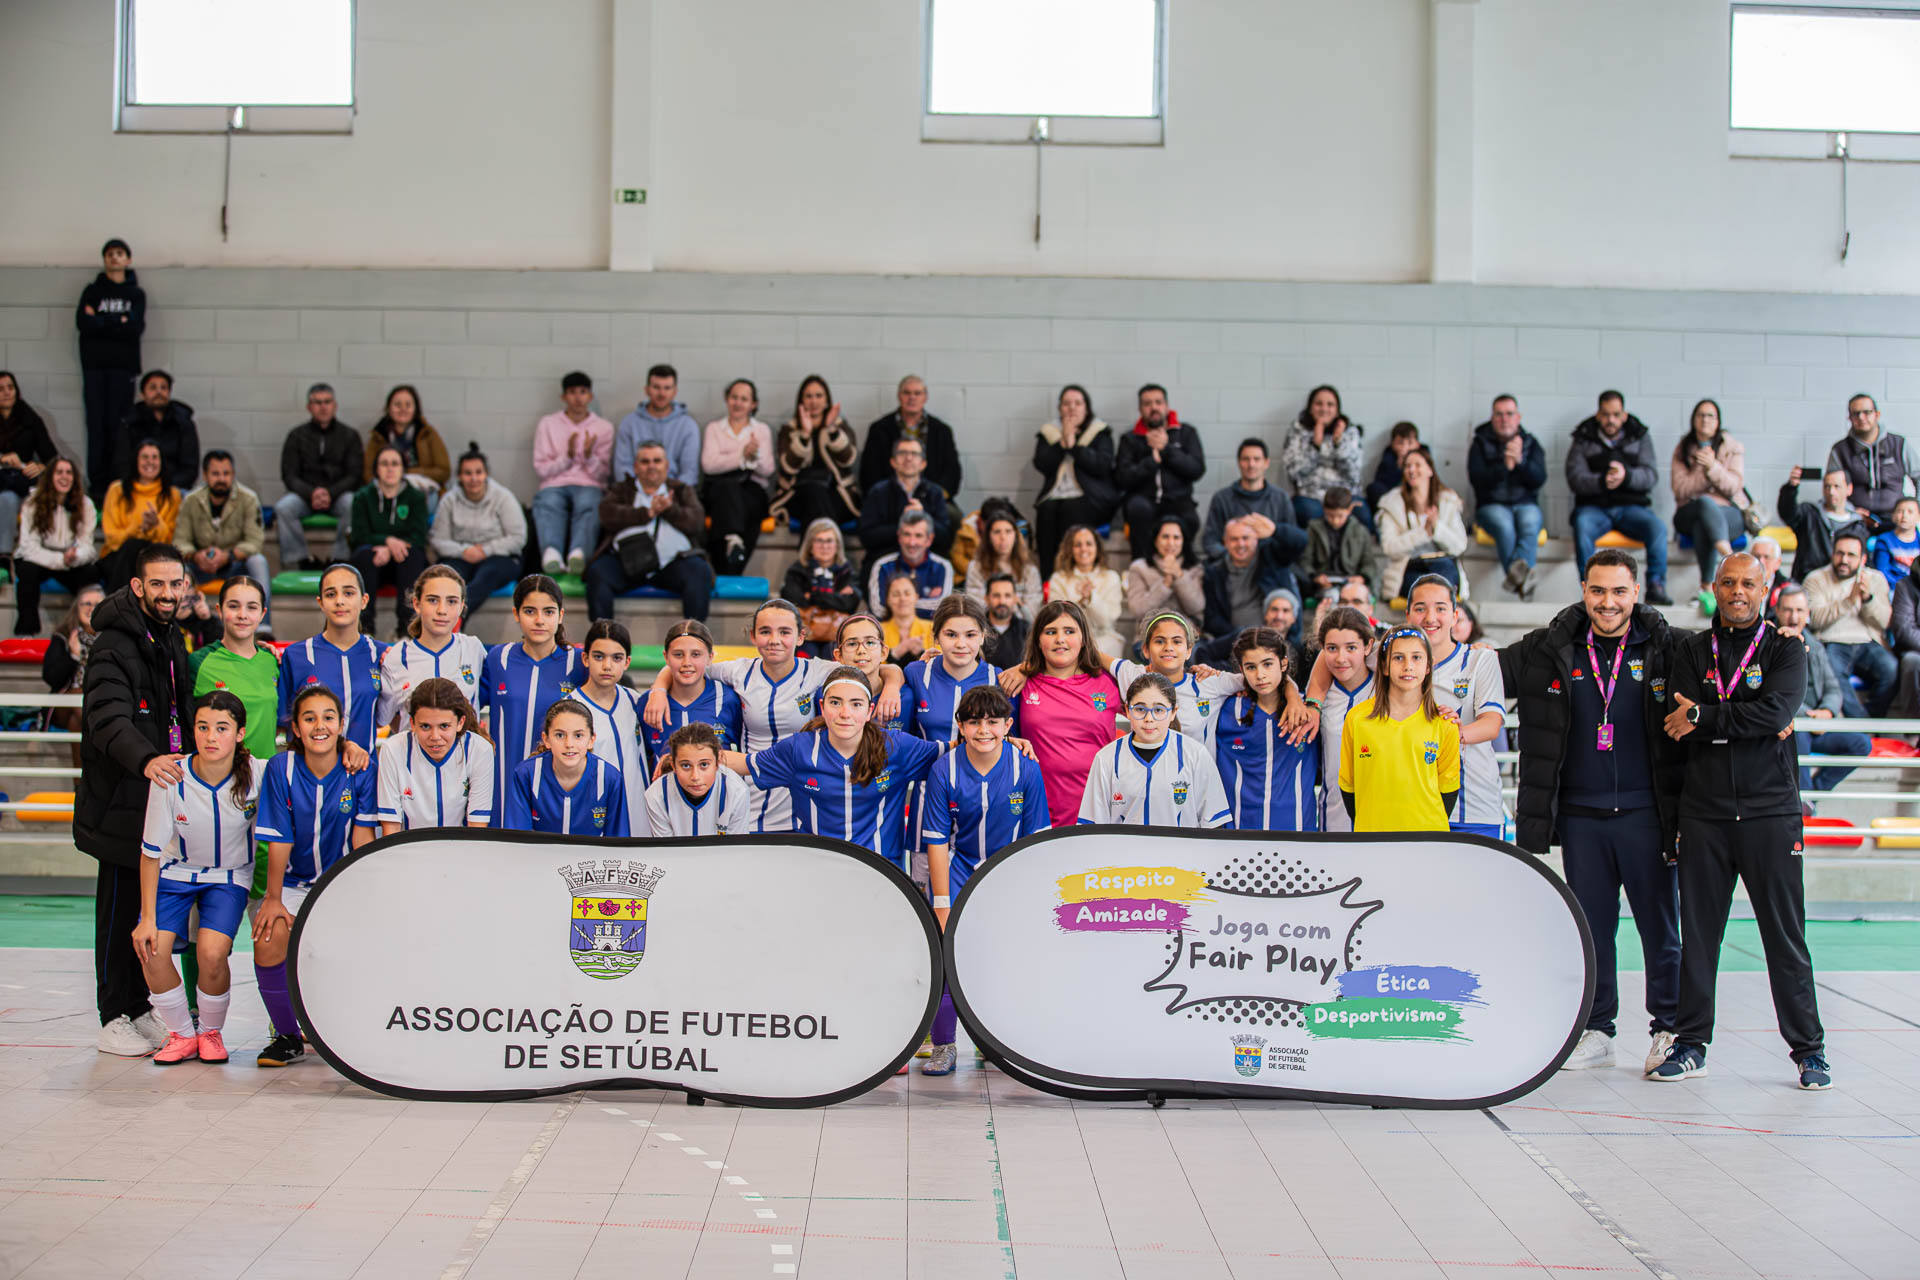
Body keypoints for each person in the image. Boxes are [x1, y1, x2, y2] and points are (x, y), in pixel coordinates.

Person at [1497, 547, 1683, 1074]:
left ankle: (1668, 1027)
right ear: (1584, 590)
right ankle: (1599, 1028)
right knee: (1594, 930)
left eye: (1619, 591)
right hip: (1580, 817)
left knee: (1660, 930)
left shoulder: (1668, 646)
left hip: (1647, 816)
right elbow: (1486, 670)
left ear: (1636, 592)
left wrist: (1783, 639)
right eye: (1598, 590)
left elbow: (1726, 660)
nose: (1608, 602)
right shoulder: (1552, 645)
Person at [1654, 552, 1828, 1090]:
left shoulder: (1786, 649)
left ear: (1765, 587)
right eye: (1727, 582)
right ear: (1713, 587)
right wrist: (1739, 721)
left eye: (1748, 583)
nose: (1737, 592)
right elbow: (1674, 728)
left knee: (1785, 937)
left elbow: (1775, 714)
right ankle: (1690, 1045)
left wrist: (1706, 716)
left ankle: (1809, 1050)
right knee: (1700, 939)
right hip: (1704, 815)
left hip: (1769, 813)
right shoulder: (1689, 650)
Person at [641, 599, 902, 833]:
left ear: (800, 637)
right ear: (753, 636)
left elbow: (876, 668)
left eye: (784, 632)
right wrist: (658, 689)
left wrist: (892, 686)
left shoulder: (818, 671)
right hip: (749, 799)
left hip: (802, 802)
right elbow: (691, 666)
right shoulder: (738, 671)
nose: (774, 640)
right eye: (765, 632)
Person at [76, 545, 194, 1057]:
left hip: (158, 798)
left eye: (176, 584)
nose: (168, 594)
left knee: (145, 913)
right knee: (119, 908)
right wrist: (147, 758)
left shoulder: (171, 638)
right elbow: (107, 719)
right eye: (159, 585)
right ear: (139, 587)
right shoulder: (112, 644)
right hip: (122, 800)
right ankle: (112, 1016)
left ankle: (141, 1006)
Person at [922, 684, 1051, 1075]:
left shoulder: (1025, 768)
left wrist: (1026, 897)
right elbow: (937, 843)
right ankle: (944, 1046)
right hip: (958, 868)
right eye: (974, 722)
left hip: (1006, 873)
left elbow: (1035, 842)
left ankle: (995, 1043)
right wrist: (942, 903)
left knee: (1001, 960)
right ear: (960, 726)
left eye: (993, 722)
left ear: (1008, 725)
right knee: (944, 960)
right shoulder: (943, 768)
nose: (983, 730)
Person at [251, 685, 379, 1066]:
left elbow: (362, 838)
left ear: (342, 724)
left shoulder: (359, 769)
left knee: (353, 948)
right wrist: (272, 899)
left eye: (328, 717)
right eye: (309, 718)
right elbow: (279, 839)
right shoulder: (281, 769)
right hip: (293, 883)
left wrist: (363, 897)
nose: (319, 726)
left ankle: (350, 1033)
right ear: (295, 727)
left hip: (341, 883)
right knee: (268, 937)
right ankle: (287, 1035)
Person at [712, 666, 943, 870]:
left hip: (883, 873)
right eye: (835, 702)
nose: (845, 713)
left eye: (856, 704)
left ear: (869, 710)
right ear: (822, 706)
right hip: (816, 871)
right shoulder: (798, 749)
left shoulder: (897, 747)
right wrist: (689, 757)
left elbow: (953, 752)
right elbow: (743, 763)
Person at [132, 690, 256, 1065]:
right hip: (176, 872)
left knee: (212, 954)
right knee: (151, 948)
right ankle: (182, 1034)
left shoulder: (260, 775)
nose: (211, 737)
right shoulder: (171, 776)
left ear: (239, 733)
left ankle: (210, 1033)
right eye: (203, 727)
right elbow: (150, 855)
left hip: (229, 876)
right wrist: (147, 919)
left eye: (222, 728)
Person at [1402, 575, 1506, 836]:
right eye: (1420, 608)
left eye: (1440, 608)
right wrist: (1311, 701)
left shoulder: (1480, 659)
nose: (1430, 617)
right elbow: (1337, 651)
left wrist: (1447, 734)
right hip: (1414, 809)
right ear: (1408, 615)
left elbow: (1492, 724)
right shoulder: (1392, 660)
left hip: (1474, 808)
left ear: (1455, 615)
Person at [1007, 600, 1122, 827]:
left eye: (1069, 631)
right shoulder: (1020, 684)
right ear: (1039, 641)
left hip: (1099, 809)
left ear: (1083, 639)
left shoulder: (1109, 682)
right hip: (1038, 811)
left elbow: (1155, 693)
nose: (1060, 639)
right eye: (1051, 632)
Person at [481, 575, 585, 826]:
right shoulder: (498, 658)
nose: (539, 620)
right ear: (516, 614)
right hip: (504, 783)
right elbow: (466, 706)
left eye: (548, 612)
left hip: (559, 785)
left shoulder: (579, 662)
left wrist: (658, 687)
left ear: (560, 615)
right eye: (530, 611)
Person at [1339, 627, 1461, 832]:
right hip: (1372, 839)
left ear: (1429, 666)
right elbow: (1348, 787)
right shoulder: (1357, 719)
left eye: (1416, 658)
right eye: (1398, 658)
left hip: (1428, 840)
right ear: (1385, 666)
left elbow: (1448, 791)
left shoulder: (1444, 722)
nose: (1408, 666)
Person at [1077, 671, 1231, 827]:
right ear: (1128, 711)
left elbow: (1213, 823)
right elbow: (1093, 826)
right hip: (1124, 851)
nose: (1149, 719)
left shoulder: (1196, 755)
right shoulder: (1106, 759)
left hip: (1181, 851)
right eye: (1140, 709)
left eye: (1158, 710)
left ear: (1173, 712)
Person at [585, 440, 714, 622]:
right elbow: (607, 514)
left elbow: (697, 522)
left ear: (667, 466)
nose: (651, 466)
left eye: (657, 461)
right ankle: (604, 639)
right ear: (636, 467)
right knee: (598, 572)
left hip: (672, 564)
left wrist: (669, 510)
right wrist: (647, 513)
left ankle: (693, 639)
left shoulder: (681, 490)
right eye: (645, 462)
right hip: (625, 563)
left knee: (700, 571)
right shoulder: (622, 489)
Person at [1567, 390, 1672, 605]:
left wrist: (1627, 476)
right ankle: (1589, 588)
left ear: (1624, 415)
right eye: (1605, 415)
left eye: (1615, 414)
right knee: (1581, 524)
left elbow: (1651, 475)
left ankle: (1655, 585)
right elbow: (1574, 477)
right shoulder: (1583, 436)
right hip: (1594, 508)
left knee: (1658, 528)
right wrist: (1601, 481)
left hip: (1631, 508)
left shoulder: (1639, 435)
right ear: (1598, 415)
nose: (1610, 420)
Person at [1775, 584, 1873, 800]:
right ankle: (1803, 801)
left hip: (1818, 725)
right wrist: (1810, 716)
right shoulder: (1769, 646)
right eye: (1788, 610)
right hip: (1794, 726)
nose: (1793, 616)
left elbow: (1833, 687)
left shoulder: (1816, 647)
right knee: (1797, 734)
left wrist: (1827, 711)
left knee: (1861, 743)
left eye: (1799, 610)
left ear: (1807, 614)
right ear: (1778, 611)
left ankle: (1814, 793)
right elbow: (1776, 696)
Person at [277, 564, 386, 756]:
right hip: (308, 775)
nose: (339, 601)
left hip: (364, 775)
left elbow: (392, 717)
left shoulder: (383, 655)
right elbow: (282, 725)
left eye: (349, 593)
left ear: (364, 600)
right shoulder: (296, 655)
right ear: (320, 602)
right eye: (330, 594)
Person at [1216, 628, 1317, 830]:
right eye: (1251, 667)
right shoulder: (1226, 709)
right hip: (1238, 834)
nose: (1260, 675)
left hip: (1298, 833)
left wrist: (1293, 694)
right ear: (1242, 670)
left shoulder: (1309, 714)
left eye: (1268, 664)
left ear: (1283, 663)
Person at [376, 564, 490, 731]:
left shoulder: (474, 648)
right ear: (416, 603)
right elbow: (384, 720)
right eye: (432, 600)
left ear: (461, 606)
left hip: (466, 756)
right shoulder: (396, 657)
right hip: (413, 756)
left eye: (451, 601)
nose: (442, 610)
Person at [375, 677, 495, 834]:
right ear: (412, 723)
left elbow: (477, 830)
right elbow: (391, 830)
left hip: (461, 852)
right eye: (425, 726)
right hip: (406, 853)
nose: (435, 736)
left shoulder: (479, 750)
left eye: (444, 726)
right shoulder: (392, 750)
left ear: (460, 722)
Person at [77, 239, 145, 503]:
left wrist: (101, 321)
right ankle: (97, 485)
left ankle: (118, 483)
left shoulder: (136, 294)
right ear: (104, 260)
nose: (114, 258)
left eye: (119, 254)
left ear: (128, 259)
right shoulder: (92, 291)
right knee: (96, 427)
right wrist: (119, 322)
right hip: (94, 369)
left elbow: (135, 327)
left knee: (119, 428)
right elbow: (83, 323)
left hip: (123, 369)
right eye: (109, 254)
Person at [173, 450, 271, 634]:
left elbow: (255, 541)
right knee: (179, 569)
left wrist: (228, 556)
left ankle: (263, 627)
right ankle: (178, 626)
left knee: (258, 561)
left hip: (234, 566)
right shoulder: (191, 501)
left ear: (233, 475)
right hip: (200, 567)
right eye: (216, 473)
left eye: (226, 473)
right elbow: (180, 541)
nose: (221, 479)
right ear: (205, 475)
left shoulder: (248, 499)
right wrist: (196, 555)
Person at [501, 700, 630, 836]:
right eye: (560, 735)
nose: (569, 744)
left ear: (591, 740)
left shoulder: (609, 778)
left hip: (591, 857)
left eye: (578, 735)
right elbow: (517, 839)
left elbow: (618, 841)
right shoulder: (526, 774)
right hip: (540, 856)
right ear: (546, 739)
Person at [1800, 531, 1894, 717]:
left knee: (1891, 669)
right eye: (1839, 553)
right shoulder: (1815, 579)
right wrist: (1849, 601)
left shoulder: (1875, 579)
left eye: (1851, 555)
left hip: (1868, 642)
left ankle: (1870, 720)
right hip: (1832, 642)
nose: (1844, 560)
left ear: (1863, 558)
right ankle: (1862, 727)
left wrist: (1867, 599)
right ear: (1832, 554)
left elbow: (1885, 622)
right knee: (1833, 675)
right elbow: (1815, 621)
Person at [1031, 384, 1119, 576]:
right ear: (1059, 408)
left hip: (1092, 498)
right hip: (1056, 496)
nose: (1072, 408)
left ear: (1086, 408)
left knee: (1070, 508)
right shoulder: (1049, 432)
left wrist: (1075, 448)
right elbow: (1041, 464)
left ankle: (1069, 575)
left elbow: (1103, 465)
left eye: (1077, 403)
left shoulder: (1100, 432)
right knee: (1046, 510)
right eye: (1066, 404)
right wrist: (1062, 443)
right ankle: (1048, 578)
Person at [532, 371, 614, 577]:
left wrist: (588, 456)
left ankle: (579, 555)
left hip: (589, 484)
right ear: (563, 397)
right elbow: (541, 469)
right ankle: (551, 554)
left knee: (590, 503)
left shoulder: (603, 428)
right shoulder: (547, 424)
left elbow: (603, 474)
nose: (577, 398)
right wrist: (567, 457)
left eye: (583, 392)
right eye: (571, 392)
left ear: (591, 396)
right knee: (548, 502)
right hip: (554, 483)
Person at [189, 577, 279, 763]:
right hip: (217, 778)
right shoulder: (198, 662)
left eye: (251, 607)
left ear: (262, 614)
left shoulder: (273, 661)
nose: (242, 615)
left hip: (264, 778)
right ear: (219, 610)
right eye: (233, 606)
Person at [430, 442, 527, 616]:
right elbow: (438, 540)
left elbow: (518, 537)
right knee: (448, 577)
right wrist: (464, 551)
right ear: (459, 476)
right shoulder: (449, 500)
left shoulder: (503, 497)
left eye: (478, 472)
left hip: (499, 557)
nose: (473, 478)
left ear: (486, 474)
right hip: (460, 556)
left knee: (487, 574)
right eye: (467, 473)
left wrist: (485, 550)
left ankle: (458, 618)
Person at [1670, 399, 1752, 600]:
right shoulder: (1683, 448)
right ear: (1693, 419)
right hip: (1690, 510)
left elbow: (1734, 486)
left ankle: (1706, 586)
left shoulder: (1732, 447)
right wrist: (1702, 471)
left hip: (1727, 512)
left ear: (1718, 421)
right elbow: (1680, 490)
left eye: (1710, 416)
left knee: (1703, 525)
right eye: (1701, 415)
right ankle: (1728, 555)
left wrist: (1712, 467)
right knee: (1705, 504)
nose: (1705, 420)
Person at [636, 619, 742, 774]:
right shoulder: (648, 702)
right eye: (678, 654)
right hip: (662, 795)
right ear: (666, 657)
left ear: (710, 657)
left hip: (718, 796)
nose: (687, 662)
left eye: (696, 654)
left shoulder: (728, 699)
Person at [1467, 395, 1547, 598]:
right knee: (1505, 527)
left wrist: (1520, 463)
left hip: (1525, 504)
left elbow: (1539, 479)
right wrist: (1504, 467)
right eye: (1499, 414)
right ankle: (1524, 584)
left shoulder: (1531, 443)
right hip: (1491, 505)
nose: (1504, 419)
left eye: (1509, 414)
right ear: (1492, 418)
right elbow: (1477, 479)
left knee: (1530, 523)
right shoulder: (1480, 442)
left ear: (1518, 417)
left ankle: (1517, 582)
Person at [1114, 383, 1206, 561]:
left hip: (1179, 499)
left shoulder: (1186, 433)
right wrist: (1151, 462)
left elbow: (1196, 470)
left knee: (1191, 520)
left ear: (1167, 406)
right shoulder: (1130, 439)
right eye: (1147, 404)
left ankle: (1184, 570)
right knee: (1137, 510)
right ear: (1140, 409)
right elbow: (1122, 478)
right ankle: (1141, 567)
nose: (1153, 407)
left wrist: (1167, 450)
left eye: (1158, 402)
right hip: (1143, 499)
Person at [575, 619, 648, 834]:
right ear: (585, 658)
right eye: (599, 657)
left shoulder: (636, 701)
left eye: (616, 658)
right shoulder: (570, 710)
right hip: (593, 819)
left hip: (640, 817)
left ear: (627, 662)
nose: (607, 666)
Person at [276, 383, 361, 569]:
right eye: (317, 402)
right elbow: (289, 475)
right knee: (283, 507)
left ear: (335, 405)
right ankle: (298, 559)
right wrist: (311, 494)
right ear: (309, 407)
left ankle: (341, 559)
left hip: (339, 495)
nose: (323, 407)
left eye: (327, 402)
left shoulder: (350, 436)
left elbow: (354, 474)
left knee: (353, 503)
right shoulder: (296, 436)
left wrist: (330, 493)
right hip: (305, 496)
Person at [349, 444, 430, 637]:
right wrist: (387, 541)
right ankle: (365, 629)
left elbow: (418, 536)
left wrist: (393, 546)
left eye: (395, 463)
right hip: (376, 562)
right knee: (364, 555)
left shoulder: (416, 497)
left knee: (412, 556)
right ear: (376, 468)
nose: (390, 468)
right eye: (384, 464)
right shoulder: (362, 497)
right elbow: (358, 536)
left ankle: (406, 630)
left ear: (403, 469)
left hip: (403, 564)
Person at [13, 457, 99, 636]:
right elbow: (29, 547)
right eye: (59, 472)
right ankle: (26, 633)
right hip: (40, 559)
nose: (64, 477)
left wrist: (74, 557)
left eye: (69, 473)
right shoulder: (33, 501)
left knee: (91, 573)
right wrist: (61, 560)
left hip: (70, 561)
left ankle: (86, 630)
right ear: (50, 477)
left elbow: (88, 548)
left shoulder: (85, 505)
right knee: (26, 571)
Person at [1310, 606, 1377, 833]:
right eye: (1332, 648)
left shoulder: (1386, 689)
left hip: (1381, 816)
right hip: (1333, 815)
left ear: (1368, 646)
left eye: (1351, 648)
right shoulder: (1319, 697)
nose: (1341, 658)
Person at [700, 378, 775, 574]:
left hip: (751, 492)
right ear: (727, 399)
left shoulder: (761, 430)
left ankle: (730, 552)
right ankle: (733, 543)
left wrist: (754, 457)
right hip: (720, 491)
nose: (738, 403)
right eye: (734, 397)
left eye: (744, 398)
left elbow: (768, 469)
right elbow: (709, 465)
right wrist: (742, 455)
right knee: (728, 490)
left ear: (753, 404)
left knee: (743, 501)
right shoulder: (714, 428)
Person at [769, 374, 860, 530]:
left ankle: (810, 552)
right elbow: (788, 466)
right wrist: (804, 435)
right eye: (808, 396)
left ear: (826, 400)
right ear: (801, 401)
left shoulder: (840, 426)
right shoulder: (789, 430)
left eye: (819, 396)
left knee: (819, 503)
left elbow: (848, 459)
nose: (813, 401)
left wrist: (832, 430)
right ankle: (830, 551)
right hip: (798, 494)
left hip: (837, 493)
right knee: (815, 494)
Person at [1377, 446, 1469, 599]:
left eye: (1418, 465)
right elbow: (1389, 548)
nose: (1412, 470)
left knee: (1442, 583)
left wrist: (1436, 528)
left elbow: (1459, 546)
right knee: (1424, 593)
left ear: (1430, 470)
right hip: (1408, 567)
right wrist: (1422, 533)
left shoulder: (1448, 501)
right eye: (1407, 466)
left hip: (1442, 563)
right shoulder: (1391, 504)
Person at [1202, 514, 1306, 643]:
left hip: (1279, 638)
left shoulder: (1272, 557)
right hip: (1237, 641)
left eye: (1245, 538)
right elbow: (1212, 619)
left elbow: (1301, 542)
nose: (1241, 544)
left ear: (1256, 538)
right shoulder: (1214, 572)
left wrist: (1275, 530)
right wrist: (1242, 636)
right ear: (1225, 542)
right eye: (1234, 539)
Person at [859, 436, 954, 570]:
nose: (908, 458)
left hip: (926, 564)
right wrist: (902, 524)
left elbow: (944, 535)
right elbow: (867, 536)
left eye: (914, 454)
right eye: (902, 453)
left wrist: (923, 517)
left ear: (923, 463)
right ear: (893, 461)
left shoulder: (935, 492)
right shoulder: (878, 492)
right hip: (886, 562)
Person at [99, 439, 181, 593]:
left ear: (162, 462)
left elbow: (169, 539)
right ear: (135, 460)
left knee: (140, 551)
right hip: (118, 556)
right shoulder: (117, 490)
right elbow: (112, 538)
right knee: (133, 546)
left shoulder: (172, 495)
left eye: (154, 457)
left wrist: (156, 523)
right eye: (145, 457)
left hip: (155, 556)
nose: (150, 462)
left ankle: (118, 606)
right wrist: (139, 528)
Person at [645, 722, 754, 837]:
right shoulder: (656, 795)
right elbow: (667, 851)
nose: (695, 777)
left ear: (718, 762)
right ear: (673, 766)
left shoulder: (737, 791)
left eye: (704, 765)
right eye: (686, 766)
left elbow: (735, 850)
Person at [862, 375, 962, 499]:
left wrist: (936, 497)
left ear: (925, 397)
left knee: (954, 516)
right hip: (889, 499)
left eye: (917, 393)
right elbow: (869, 472)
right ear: (899, 396)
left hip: (931, 498)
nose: (912, 397)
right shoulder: (879, 429)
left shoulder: (942, 431)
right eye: (906, 393)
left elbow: (952, 472)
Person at [1282, 385, 1366, 527]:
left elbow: (1354, 475)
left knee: (1362, 516)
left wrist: (1338, 445)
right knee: (1308, 513)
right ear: (1310, 407)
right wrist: (1315, 446)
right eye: (1318, 403)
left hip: (1345, 497)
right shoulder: (1297, 430)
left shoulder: (1350, 432)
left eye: (1330, 404)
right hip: (1310, 497)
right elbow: (1294, 474)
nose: (1324, 409)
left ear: (1337, 409)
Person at [1825, 393, 1915, 524]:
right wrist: (1850, 511)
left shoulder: (1899, 444)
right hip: (1856, 519)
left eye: (1867, 412)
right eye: (1856, 414)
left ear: (1877, 414)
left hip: (1897, 521)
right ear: (1849, 418)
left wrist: (1914, 509)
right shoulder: (1840, 450)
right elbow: (1831, 488)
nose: (1861, 417)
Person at [1201, 439, 1295, 563]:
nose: (1251, 464)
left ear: (1266, 463)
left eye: (1256, 459)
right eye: (1246, 459)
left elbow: (1292, 539)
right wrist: (1236, 558)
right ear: (1239, 462)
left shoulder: (1281, 498)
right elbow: (1210, 542)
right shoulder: (1222, 499)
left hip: (1270, 567)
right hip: (1231, 566)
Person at [363, 385, 451, 516]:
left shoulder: (428, 433)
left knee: (430, 498)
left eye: (408, 405)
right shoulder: (378, 435)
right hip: (386, 488)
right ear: (388, 408)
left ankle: (420, 535)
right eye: (397, 405)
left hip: (421, 488)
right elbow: (368, 472)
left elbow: (444, 471)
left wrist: (410, 473)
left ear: (415, 409)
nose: (403, 409)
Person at [1778, 465, 1874, 585]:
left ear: (1849, 489)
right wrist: (1791, 488)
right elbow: (1787, 513)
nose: (1831, 492)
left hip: (1843, 587)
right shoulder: (1809, 514)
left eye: (1836, 486)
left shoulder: (1858, 524)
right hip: (1806, 582)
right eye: (1827, 486)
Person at [43, 584, 105, 769]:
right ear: (76, 608)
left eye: (97, 604)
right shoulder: (62, 637)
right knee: (80, 699)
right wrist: (73, 656)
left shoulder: (113, 637)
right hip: (66, 702)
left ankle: (80, 783)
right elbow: (51, 678)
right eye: (86, 603)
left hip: (101, 700)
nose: (91, 609)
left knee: (76, 721)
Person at [782, 517, 862, 656]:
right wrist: (835, 599)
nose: (825, 546)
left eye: (829, 540)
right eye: (819, 540)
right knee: (805, 656)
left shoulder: (847, 570)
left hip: (836, 634)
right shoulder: (798, 569)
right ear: (810, 545)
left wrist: (812, 596)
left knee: (835, 655)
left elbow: (849, 603)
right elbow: (793, 598)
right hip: (806, 635)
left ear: (837, 545)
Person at [0, 371, 58, 556]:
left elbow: (52, 457)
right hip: (3, 484)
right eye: (1, 389)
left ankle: (36, 556)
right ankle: (4, 555)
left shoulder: (30, 418)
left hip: (23, 481)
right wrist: (2, 459)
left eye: (10, 387)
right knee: (7, 500)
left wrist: (40, 466)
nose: (7, 392)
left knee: (33, 499)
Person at [615, 364, 700, 486]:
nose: (661, 393)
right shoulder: (629, 423)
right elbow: (622, 469)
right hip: (635, 492)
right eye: (656, 387)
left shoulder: (688, 426)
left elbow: (689, 472)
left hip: (674, 492)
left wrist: (667, 494)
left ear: (675, 391)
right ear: (647, 390)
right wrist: (643, 492)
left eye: (667, 388)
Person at [115, 370, 197, 494]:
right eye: (153, 387)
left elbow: (189, 469)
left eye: (163, 388)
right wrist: (144, 486)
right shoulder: (129, 423)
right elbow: (123, 465)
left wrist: (162, 487)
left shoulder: (183, 423)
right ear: (143, 394)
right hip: (137, 487)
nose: (159, 392)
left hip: (173, 488)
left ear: (169, 393)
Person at [1299, 486, 1386, 603]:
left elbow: (1368, 563)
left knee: (1358, 598)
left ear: (1350, 510)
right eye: (1330, 516)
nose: (1335, 520)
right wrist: (1315, 577)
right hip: (1324, 585)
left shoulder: (1360, 531)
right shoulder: (1313, 529)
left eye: (1340, 516)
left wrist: (1361, 577)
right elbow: (1305, 560)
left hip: (1351, 582)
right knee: (1333, 596)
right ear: (1324, 509)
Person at [1047, 524, 1124, 655]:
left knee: (1096, 652)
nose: (1084, 549)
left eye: (1089, 544)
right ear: (1070, 550)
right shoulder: (1058, 578)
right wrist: (1080, 600)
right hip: (1068, 637)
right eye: (1078, 545)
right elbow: (1056, 617)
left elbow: (1106, 622)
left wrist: (1091, 598)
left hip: (1104, 636)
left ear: (1097, 548)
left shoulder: (1111, 577)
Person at [866, 509, 954, 619]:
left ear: (929, 539)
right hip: (890, 633)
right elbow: (878, 609)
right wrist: (926, 603)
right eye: (907, 534)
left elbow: (943, 609)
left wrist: (897, 602)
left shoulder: (943, 567)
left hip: (929, 634)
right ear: (899, 536)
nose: (912, 542)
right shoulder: (882, 566)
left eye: (918, 535)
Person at [966, 506, 1043, 619]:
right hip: (986, 630)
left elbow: (1032, 613)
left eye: (1008, 531)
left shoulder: (1029, 570)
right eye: (997, 532)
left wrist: (999, 608)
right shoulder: (976, 567)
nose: (1003, 537)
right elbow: (974, 609)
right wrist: (1014, 604)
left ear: (1016, 535)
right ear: (988, 537)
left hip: (1021, 631)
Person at [1124, 515, 1205, 621]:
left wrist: (1179, 576)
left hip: (1187, 633)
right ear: (1155, 540)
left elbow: (1196, 607)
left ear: (1183, 541)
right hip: (1150, 633)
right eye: (1165, 537)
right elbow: (1138, 610)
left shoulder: (1195, 568)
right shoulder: (1139, 567)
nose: (1171, 543)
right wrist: (1166, 583)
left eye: (1176, 537)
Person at [1365, 421, 1422, 511]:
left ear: (1417, 444)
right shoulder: (1388, 458)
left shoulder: (1424, 458)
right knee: (1373, 489)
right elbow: (1381, 484)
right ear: (1392, 444)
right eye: (1400, 443)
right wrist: (1398, 466)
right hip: (1391, 498)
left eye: (1410, 443)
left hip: (1413, 496)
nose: (1405, 447)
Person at [881, 574, 934, 663]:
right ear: (888, 600)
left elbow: (940, 667)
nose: (902, 598)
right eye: (895, 594)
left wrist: (921, 653)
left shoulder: (933, 628)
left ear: (916, 597)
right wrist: (894, 653)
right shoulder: (877, 631)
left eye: (907, 593)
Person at [983, 574, 1030, 669]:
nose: (1002, 601)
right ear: (986, 598)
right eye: (996, 595)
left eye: (1007, 596)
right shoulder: (976, 629)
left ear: (1015, 599)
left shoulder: (1027, 630)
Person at [1873, 496, 1920, 588]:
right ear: (1893, 516)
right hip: (1892, 587)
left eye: (1910, 512)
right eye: (1900, 511)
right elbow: (1882, 572)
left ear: (1918, 516)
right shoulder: (1884, 541)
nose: (1904, 516)